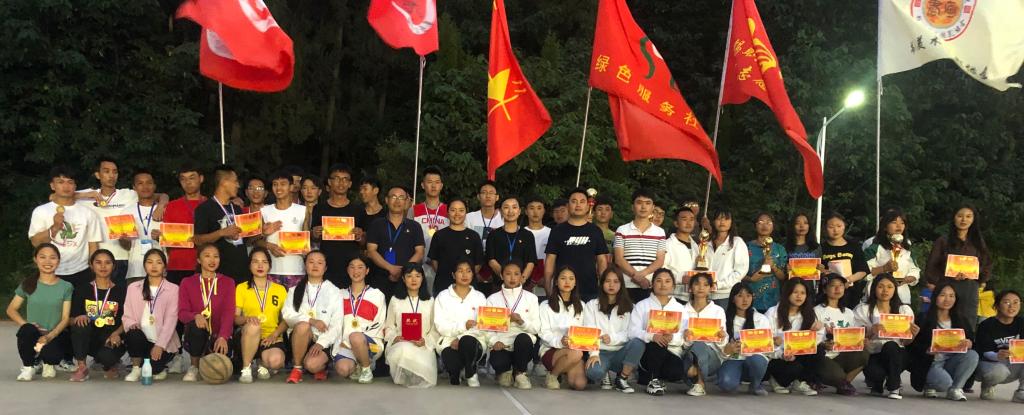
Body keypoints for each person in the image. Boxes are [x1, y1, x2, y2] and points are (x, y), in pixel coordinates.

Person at [75, 159, 169, 286]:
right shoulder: (87, 196)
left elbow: (161, 195)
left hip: (124, 257)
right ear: (97, 174)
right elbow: (56, 197)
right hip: (99, 258)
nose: (111, 175)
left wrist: (161, 205)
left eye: (114, 172)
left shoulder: (128, 194)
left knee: (123, 294)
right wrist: (88, 195)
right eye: (106, 171)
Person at [8, 244, 73, 381]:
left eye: (52, 258)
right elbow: (11, 309)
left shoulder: (66, 286)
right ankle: (28, 366)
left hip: (53, 334)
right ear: (35, 259)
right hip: (33, 333)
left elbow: (65, 318)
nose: (47, 261)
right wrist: (27, 325)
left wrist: (50, 336)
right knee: (26, 331)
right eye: (42, 257)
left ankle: (48, 363)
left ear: (58, 261)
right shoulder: (28, 284)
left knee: (52, 356)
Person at [29, 166, 102, 286]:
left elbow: (93, 245)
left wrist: (93, 270)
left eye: (70, 182)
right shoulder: (41, 211)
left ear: (75, 186)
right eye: (60, 182)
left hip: (82, 271)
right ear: (52, 186)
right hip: (51, 271)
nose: (66, 186)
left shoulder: (88, 213)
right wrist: (55, 227)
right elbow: (35, 242)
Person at [909, 283, 979, 401]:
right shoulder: (923, 318)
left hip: (952, 361)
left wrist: (969, 343)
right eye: (942, 295)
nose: (947, 299)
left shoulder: (961, 319)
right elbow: (913, 347)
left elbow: (972, 341)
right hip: (931, 363)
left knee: (972, 355)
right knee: (944, 384)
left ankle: (956, 389)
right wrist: (926, 350)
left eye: (951, 296)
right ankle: (929, 385)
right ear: (935, 297)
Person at [281, 251, 344, 383]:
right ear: (305, 265)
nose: (315, 265)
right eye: (311, 262)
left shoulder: (334, 291)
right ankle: (297, 368)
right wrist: (311, 321)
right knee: (303, 326)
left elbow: (337, 324)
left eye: (320, 263)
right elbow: (287, 314)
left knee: (312, 365)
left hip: (324, 338)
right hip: (301, 337)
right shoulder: (294, 290)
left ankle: (321, 366)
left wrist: (321, 343)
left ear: (325, 268)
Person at [926, 205, 992, 328]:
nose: (964, 220)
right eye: (960, 216)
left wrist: (976, 275)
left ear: (973, 219)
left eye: (968, 216)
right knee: (944, 320)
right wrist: (938, 280)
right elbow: (932, 266)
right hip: (947, 286)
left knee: (967, 322)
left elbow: (986, 264)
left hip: (969, 288)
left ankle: (967, 340)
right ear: (954, 218)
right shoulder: (943, 241)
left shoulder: (978, 242)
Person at [855, 273, 920, 399]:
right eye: (881, 286)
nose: (885, 290)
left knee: (891, 346)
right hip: (874, 352)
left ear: (895, 290)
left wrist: (913, 335)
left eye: (890, 287)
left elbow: (905, 342)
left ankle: (894, 387)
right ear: (874, 289)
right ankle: (878, 382)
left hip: (897, 353)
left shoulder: (904, 310)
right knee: (876, 373)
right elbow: (854, 334)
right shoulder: (863, 309)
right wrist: (870, 331)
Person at [178, 244, 236, 382]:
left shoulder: (228, 282)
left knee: (223, 368)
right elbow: (182, 313)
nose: (212, 260)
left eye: (216, 256)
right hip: (198, 333)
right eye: (207, 256)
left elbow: (228, 312)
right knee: (195, 327)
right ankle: (194, 366)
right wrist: (195, 316)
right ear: (199, 260)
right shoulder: (187, 282)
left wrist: (223, 336)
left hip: (218, 335)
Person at [69, 249, 127, 381]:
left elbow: (127, 319)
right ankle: (82, 367)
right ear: (91, 265)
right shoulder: (82, 289)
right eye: (98, 262)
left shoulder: (121, 290)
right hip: (90, 338)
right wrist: (78, 318)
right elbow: (70, 319)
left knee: (108, 357)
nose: (103, 266)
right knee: (79, 325)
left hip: (112, 338)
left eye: (107, 263)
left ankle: (110, 364)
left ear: (114, 266)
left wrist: (117, 333)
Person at [122, 249, 180, 382]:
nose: (154, 266)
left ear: (164, 266)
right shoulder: (133, 287)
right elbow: (127, 315)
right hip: (141, 338)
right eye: (149, 262)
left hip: (161, 341)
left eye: (158, 262)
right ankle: (136, 368)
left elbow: (171, 320)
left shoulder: (173, 289)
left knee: (154, 368)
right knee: (133, 333)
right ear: (144, 265)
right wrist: (132, 324)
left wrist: (160, 345)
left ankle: (160, 367)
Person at [583, 269, 644, 393]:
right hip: (600, 352)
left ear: (621, 284)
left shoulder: (630, 306)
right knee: (594, 373)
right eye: (608, 281)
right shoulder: (591, 305)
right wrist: (593, 354)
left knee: (638, 342)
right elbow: (589, 330)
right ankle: (604, 373)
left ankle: (622, 378)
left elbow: (630, 332)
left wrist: (612, 338)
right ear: (601, 283)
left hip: (620, 352)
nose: (611, 285)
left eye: (616, 281)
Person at [234, 248, 288, 383]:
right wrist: (247, 319)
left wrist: (275, 334)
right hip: (248, 335)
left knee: (276, 361)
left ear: (270, 266)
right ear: (249, 265)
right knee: (253, 326)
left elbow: (286, 320)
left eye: (264, 262)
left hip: (270, 337)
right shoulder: (241, 288)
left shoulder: (280, 289)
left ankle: (262, 363)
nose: (260, 265)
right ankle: (246, 368)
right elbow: (235, 318)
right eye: (255, 262)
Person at [545, 188, 609, 301]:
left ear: (588, 206)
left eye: (582, 201)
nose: (578, 205)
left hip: (590, 290)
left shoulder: (595, 231)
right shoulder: (557, 230)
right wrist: (548, 287)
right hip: (563, 291)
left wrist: (604, 287)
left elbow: (602, 261)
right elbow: (550, 260)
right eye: (574, 201)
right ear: (568, 206)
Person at [631, 269, 687, 396]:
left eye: (667, 281)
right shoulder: (642, 305)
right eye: (659, 281)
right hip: (648, 352)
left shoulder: (680, 308)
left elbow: (684, 335)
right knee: (657, 342)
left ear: (673, 285)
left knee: (676, 372)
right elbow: (632, 331)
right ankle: (653, 380)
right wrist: (652, 336)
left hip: (671, 352)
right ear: (652, 284)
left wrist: (672, 337)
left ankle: (651, 376)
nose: (663, 284)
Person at [383, 263, 439, 388]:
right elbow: (389, 326)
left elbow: (434, 329)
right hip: (401, 343)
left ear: (422, 278)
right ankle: (405, 372)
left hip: (423, 345)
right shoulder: (395, 300)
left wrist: (425, 341)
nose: (414, 280)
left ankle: (412, 373)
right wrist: (395, 338)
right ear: (403, 279)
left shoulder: (430, 301)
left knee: (421, 372)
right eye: (409, 276)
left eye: (417, 276)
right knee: (403, 349)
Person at [434, 259, 488, 387]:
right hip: (449, 342)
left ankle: (471, 372)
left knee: (467, 341)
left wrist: (460, 338)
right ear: (453, 275)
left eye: (468, 271)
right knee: (453, 371)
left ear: (473, 274)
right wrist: (462, 327)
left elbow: (483, 326)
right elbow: (440, 325)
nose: (464, 275)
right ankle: (457, 372)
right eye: (460, 271)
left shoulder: (480, 297)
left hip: (473, 341)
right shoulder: (443, 296)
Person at [311, 164, 367, 288]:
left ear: (350, 184)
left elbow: (364, 242)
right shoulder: (319, 208)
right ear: (329, 182)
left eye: (345, 179)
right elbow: (314, 238)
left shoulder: (358, 210)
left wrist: (359, 236)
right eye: (336, 178)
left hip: (350, 267)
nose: (341, 182)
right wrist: (314, 234)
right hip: (327, 265)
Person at [765, 278, 823, 396]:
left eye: (803, 293)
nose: (799, 296)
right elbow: (765, 343)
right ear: (787, 293)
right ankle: (776, 380)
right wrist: (781, 352)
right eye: (795, 292)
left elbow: (818, 339)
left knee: (819, 350)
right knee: (794, 367)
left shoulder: (809, 313)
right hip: (777, 356)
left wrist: (816, 331)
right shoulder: (772, 313)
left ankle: (800, 382)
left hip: (798, 353)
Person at [486, 262, 540, 389]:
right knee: (499, 365)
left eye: (516, 274)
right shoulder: (492, 299)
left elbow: (536, 328)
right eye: (508, 274)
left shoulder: (531, 298)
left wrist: (521, 322)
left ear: (522, 276)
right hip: (502, 343)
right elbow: (487, 328)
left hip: (523, 344)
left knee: (523, 338)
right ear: (501, 276)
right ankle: (505, 372)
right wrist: (494, 341)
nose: (512, 278)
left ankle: (520, 372)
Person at [333, 257, 387, 383]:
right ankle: (358, 364)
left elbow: (379, 324)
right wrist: (344, 341)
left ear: (367, 271)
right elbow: (334, 323)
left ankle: (366, 368)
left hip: (370, 342)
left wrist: (354, 339)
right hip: (345, 343)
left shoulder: (377, 295)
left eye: (360, 267)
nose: (356, 271)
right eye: (352, 267)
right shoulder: (339, 295)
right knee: (343, 370)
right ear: (347, 270)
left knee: (356, 337)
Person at [813, 273, 868, 395]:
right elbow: (812, 338)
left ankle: (844, 383)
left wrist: (860, 341)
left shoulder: (848, 312)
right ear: (824, 289)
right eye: (833, 285)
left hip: (842, 354)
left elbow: (854, 335)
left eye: (841, 285)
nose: (837, 289)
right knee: (835, 374)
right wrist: (823, 344)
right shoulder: (816, 311)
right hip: (825, 356)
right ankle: (836, 380)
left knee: (864, 353)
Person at [193, 165, 250, 282]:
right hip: (219, 274)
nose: (238, 185)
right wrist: (221, 233)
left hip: (242, 273)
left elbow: (246, 239)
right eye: (235, 181)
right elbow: (197, 240)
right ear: (224, 182)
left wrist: (262, 232)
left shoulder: (237, 209)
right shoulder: (204, 209)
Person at [366, 185, 425, 299]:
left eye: (401, 197)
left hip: (406, 280)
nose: (397, 201)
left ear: (406, 202)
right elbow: (371, 251)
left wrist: (403, 270)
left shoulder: (415, 226)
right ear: (386, 200)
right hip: (379, 279)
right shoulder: (377, 224)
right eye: (393, 197)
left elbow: (420, 252)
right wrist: (391, 268)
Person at [538, 266, 586, 390]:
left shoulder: (582, 306)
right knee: (576, 354)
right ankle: (553, 376)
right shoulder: (546, 305)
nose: (567, 282)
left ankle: (563, 370)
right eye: (563, 278)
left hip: (574, 350)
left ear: (575, 283)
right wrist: (560, 341)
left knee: (579, 384)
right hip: (551, 349)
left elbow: (587, 331)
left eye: (571, 279)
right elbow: (543, 332)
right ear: (556, 282)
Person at [717, 282, 770, 396]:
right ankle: (733, 378)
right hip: (732, 359)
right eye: (740, 296)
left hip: (753, 359)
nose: (745, 300)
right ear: (733, 299)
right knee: (727, 383)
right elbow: (719, 347)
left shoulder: (761, 319)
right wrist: (727, 350)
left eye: (748, 296)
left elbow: (767, 349)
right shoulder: (724, 318)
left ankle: (755, 385)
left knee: (757, 360)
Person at [614, 189, 667, 302]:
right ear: (632, 207)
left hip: (650, 284)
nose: (643, 207)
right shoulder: (622, 230)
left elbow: (660, 260)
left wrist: (641, 275)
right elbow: (618, 259)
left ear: (653, 207)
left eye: (648, 203)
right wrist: (636, 276)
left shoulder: (660, 232)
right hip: (626, 284)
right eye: (639, 203)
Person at [680, 272, 728, 396]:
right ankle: (695, 373)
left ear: (711, 288)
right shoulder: (682, 310)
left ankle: (699, 383)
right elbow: (680, 343)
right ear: (690, 288)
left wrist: (722, 337)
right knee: (695, 347)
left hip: (711, 356)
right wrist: (685, 337)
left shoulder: (718, 311)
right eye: (697, 284)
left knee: (700, 344)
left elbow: (723, 344)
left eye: (706, 285)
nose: (701, 287)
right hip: (688, 354)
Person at [259, 171, 308, 289]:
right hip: (270, 270)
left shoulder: (303, 210)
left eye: (283, 184)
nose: (278, 188)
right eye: (275, 184)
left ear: (291, 187)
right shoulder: (264, 211)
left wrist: (304, 249)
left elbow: (307, 242)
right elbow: (254, 241)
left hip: (296, 270)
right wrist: (269, 245)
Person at [974, 289, 1024, 402]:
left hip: (1012, 364)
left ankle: (1021, 392)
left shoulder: (1021, 323)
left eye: (1016, 302)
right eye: (1006, 302)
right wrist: (997, 356)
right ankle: (987, 386)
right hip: (989, 364)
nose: (1012, 306)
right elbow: (984, 352)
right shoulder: (987, 325)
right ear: (997, 305)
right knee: (999, 371)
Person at [865, 208, 921, 305]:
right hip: (877, 298)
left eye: (902, 223)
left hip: (902, 297)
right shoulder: (875, 248)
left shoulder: (907, 248)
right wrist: (884, 268)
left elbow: (915, 270)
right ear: (884, 227)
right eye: (894, 222)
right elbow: (863, 271)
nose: (899, 226)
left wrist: (906, 279)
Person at [428, 199, 484, 295]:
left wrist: (464, 276)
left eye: (461, 210)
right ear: (447, 213)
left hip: (468, 287)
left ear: (466, 213)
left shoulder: (474, 236)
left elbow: (478, 263)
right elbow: (434, 261)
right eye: (453, 210)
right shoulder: (439, 235)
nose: (457, 214)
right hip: (443, 286)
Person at [163, 164, 206, 285]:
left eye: (192, 178)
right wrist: (161, 236)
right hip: (176, 266)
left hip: (205, 265)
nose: (187, 182)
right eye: (183, 179)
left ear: (201, 178)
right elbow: (167, 240)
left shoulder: (210, 205)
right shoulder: (171, 206)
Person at [485, 197, 537, 296]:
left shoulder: (527, 235)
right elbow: (491, 260)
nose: (510, 211)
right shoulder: (493, 235)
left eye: (514, 207)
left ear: (519, 211)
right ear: (501, 211)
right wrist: (506, 276)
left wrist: (522, 278)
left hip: (523, 285)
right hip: (499, 285)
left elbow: (531, 261)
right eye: (506, 207)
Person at [819, 212, 870, 309]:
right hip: (828, 293)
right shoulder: (820, 248)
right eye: (831, 227)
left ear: (844, 227)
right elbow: (818, 269)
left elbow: (863, 270)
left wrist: (848, 280)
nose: (835, 230)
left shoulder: (854, 246)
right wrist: (822, 271)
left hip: (851, 292)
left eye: (839, 226)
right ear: (825, 228)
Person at [120, 170, 163, 282]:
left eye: (149, 183)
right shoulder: (126, 212)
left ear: (154, 186)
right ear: (134, 187)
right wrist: (123, 240)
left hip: (161, 269)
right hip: (136, 269)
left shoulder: (164, 210)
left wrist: (162, 238)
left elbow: (175, 241)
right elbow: (126, 246)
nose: (145, 186)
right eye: (140, 183)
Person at [411, 166, 449, 289]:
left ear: (441, 186)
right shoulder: (413, 210)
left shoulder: (450, 210)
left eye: (437, 182)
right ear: (423, 185)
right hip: (419, 266)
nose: (433, 186)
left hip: (442, 266)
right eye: (429, 182)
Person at [745, 213, 788, 313]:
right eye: (761, 222)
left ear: (773, 226)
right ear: (755, 225)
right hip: (750, 298)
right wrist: (751, 279)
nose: (764, 225)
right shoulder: (746, 247)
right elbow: (738, 273)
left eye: (768, 222)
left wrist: (773, 267)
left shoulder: (779, 249)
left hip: (773, 299)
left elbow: (783, 276)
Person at [708, 208, 749, 309]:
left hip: (727, 294)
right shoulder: (706, 243)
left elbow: (740, 271)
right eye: (719, 218)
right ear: (713, 222)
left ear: (731, 222)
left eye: (726, 219)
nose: (722, 222)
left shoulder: (737, 242)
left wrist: (719, 284)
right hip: (706, 295)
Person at [664, 206, 697, 303]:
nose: (689, 223)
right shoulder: (667, 244)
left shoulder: (696, 246)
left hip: (693, 297)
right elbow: (661, 269)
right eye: (684, 219)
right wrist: (680, 278)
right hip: (673, 296)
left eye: (691, 219)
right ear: (676, 223)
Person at [524, 197, 551, 295]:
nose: (535, 212)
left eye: (539, 208)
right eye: (532, 208)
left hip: (547, 280)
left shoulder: (552, 233)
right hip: (524, 279)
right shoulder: (520, 233)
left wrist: (546, 277)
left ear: (544, 211)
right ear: (526, 211)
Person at [466, 180, 502, 246]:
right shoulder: (469, 218)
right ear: (478, 196)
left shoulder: (503, 219)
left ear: (497, 197)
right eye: (484, 192)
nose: (488, 196)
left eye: (491, 193)